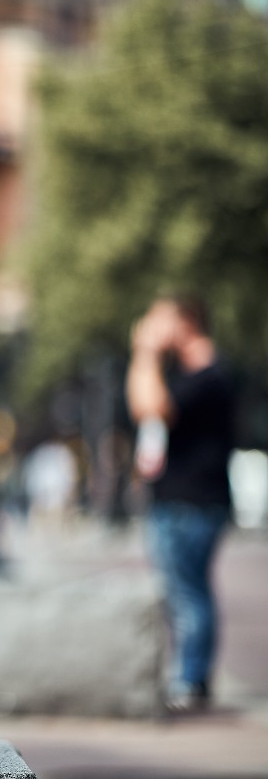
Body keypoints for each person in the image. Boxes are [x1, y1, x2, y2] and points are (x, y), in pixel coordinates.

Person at [127, 296, 236, 712]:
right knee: (185, 594)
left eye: (161, 318)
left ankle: (191, 680)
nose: (152, 325)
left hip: (193, 504)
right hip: (178, 501)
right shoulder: (186, 374)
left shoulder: (209, 377)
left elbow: (153, 407)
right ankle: (190, 677)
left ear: (186, 322)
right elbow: (142, 407)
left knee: (189, 595)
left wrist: (145, 351)